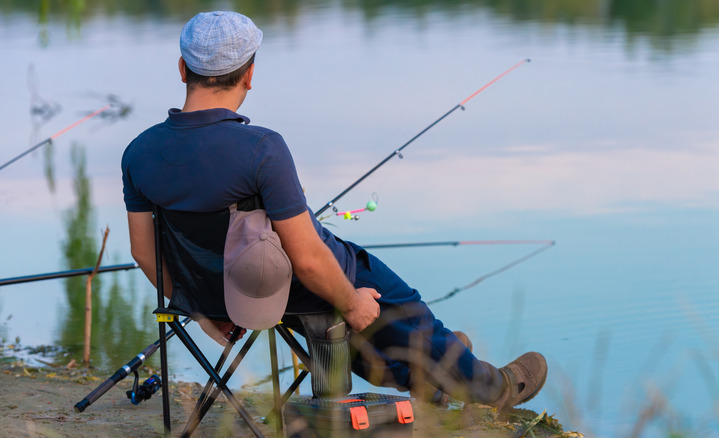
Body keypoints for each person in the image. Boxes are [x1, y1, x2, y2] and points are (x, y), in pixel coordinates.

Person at [122, 10, 547, 410]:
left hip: (214, 296)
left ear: (182, 69)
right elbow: (307, 259)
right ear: (250, 75)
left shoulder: (137, 153)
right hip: (282, 284)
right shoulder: (261, 149)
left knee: (343, 304)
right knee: (395, 302)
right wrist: (352, 302)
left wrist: (203, 309)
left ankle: (423, 375)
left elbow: (145, 253)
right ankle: (494, 386)